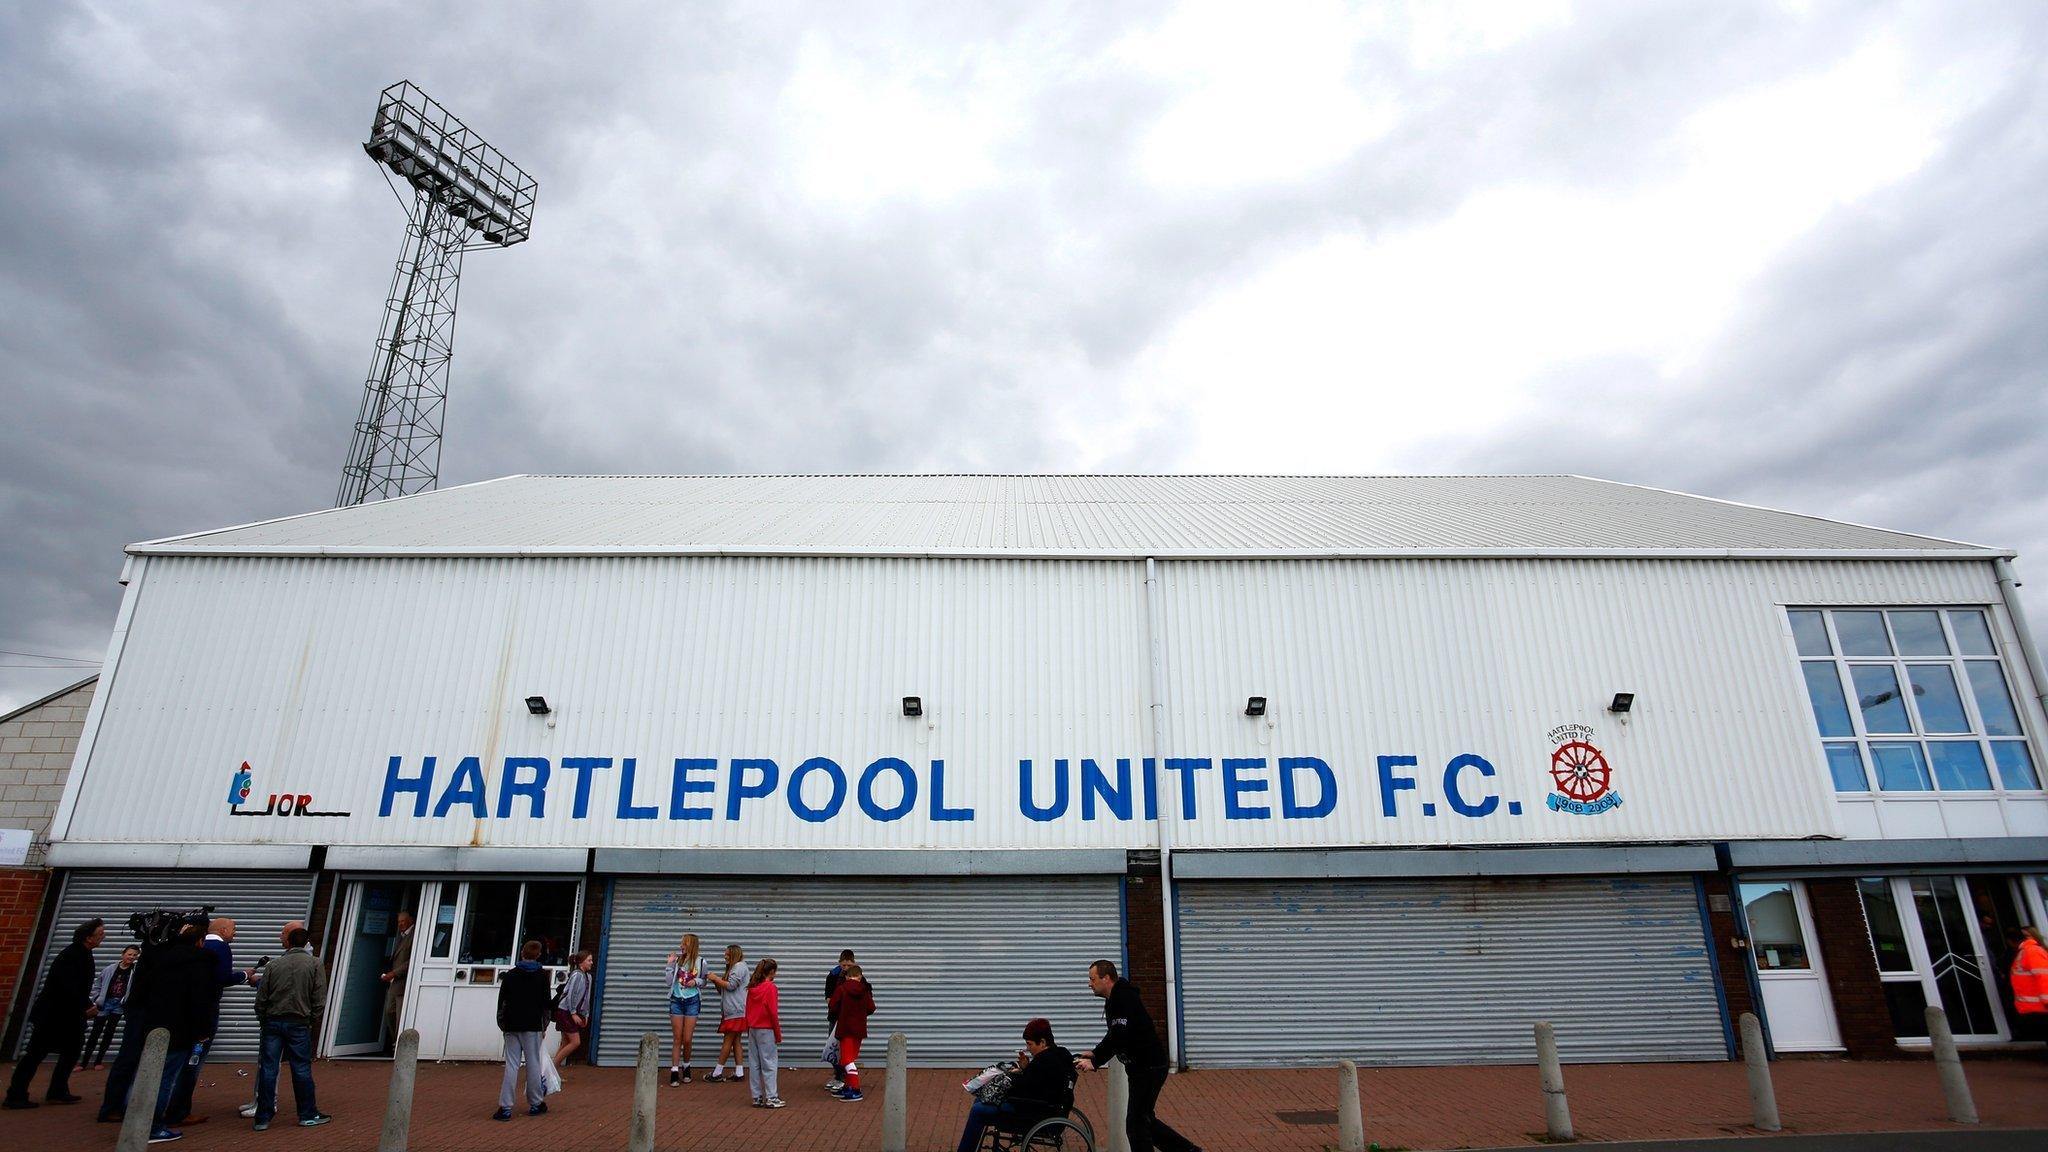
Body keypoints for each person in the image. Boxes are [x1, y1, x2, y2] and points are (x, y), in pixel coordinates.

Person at [1075, 960, 1201, 1152]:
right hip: (1139, 1067)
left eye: (1092, 979)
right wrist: (1095, 1053)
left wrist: (1096, 1062)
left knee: (1136, 1124)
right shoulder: (1114, 999)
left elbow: (1120, 1035)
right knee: (1145, 1119)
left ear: (1106, 978)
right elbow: (1114, 1034)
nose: (1089, 983)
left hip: (1149, 1066)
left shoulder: (1123, 999)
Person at [162, 916, 254, 1127]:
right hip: (204, 1013)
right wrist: (244, 975)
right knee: (193, 1061)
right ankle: (178, 1111)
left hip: (176, 1013)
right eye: (233, 928)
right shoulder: (219, 948)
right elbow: (221, 978)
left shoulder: (181, 949)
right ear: (222, 930)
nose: (235, 933)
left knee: (173, 1063)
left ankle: (164, 1108)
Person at [4, 917, 104, 1109]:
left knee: (72, 1051)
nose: (103, 936)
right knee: (35, 1053)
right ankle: (15, 1095)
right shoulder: (72, 955)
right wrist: (86, 1006)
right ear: (88, 937)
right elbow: (68, 986)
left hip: (69, 1016)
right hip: (53, 1016)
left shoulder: (83, 953)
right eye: (100, 934)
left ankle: (57, 1091)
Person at [143, 924, 217, 1145]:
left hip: (154, 1027)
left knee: (149, 1075)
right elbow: (200, 1000)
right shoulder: (199, 964)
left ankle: (138, 1118)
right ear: (200, 942)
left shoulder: (161, 960)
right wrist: (202, 1031)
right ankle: (154, 1126)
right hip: (181, 1030)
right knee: (166, 1078)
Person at [955, 1018, 1077, 1152]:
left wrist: (1013, 1076)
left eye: (1030, 1044)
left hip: (1033, 1112)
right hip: (1048, 1106)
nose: (1028, 1049)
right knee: (981, 1100)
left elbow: (1023, 1089)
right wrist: (1026, 1069)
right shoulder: (1062, 1053)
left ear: (1042, 1042)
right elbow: (1038, 1082)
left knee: (977, 1110)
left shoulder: (1042, 1063)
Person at [251, 924, 329, 1130]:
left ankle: (262, 1118)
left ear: (288, 942)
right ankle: (307, 1114)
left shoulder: (274, 965)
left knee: (269, 1068)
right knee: (301, 1068)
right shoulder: (314, 964)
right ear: (306, 943)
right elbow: (319, 997)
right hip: (299, 1022)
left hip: (273, 1022)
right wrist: (311, 1019)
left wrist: (263, 1019)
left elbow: (262, 998)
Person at [493, 940, 552, 1121]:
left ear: (521, 953)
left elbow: (502, 1003)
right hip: (532, 1025)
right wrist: (544, 1025)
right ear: (539, 955)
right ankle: (536, 1103)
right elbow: (546, 1005)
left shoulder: (511, 975)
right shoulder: (542, 976)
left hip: (512, 1025)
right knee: (533, 1063)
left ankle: (505, 1108)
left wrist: (503, 1024)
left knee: (512, 1064)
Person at [85, 945, 140, 1070]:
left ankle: (98, 1061)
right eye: (129, 954)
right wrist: (96, 998)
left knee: (109, 1033)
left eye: (134, 955)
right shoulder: (110, 969)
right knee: (95, 1032)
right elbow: (98, 983)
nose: (131, 957)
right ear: (123, 954)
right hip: (104, 1003)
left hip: (118, 1005)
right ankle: (84, 1062)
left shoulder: (134, 972)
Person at [664, 933, 708, 1084]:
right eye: (681, 943)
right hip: (677, 1000)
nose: (681, 946)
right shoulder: (676, 961)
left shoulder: (701, 961)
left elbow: (704, 981)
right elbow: (669, 982)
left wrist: (695, 981)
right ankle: (674, 1070)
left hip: (692, 1001)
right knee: (677, 1038)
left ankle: (687, 1065)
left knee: (687, 1039)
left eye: (684, 943)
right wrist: (669, 965)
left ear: (692, 945)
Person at [826, 962, 874, 1102]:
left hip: (845, 1028)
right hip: (859, 1030)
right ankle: (848, 1086)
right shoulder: (865, 990)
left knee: (846, 1060)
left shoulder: (842, 989)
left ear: (847, 977)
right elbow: (871, 1008)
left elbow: (832, 1006)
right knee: (850, 1058)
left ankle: (855, 1088)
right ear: (859, 977)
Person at [706, 943, 752, 1084]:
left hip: (735, 1010)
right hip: (735, 1010)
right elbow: (723, 989)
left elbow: (731, 986)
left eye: (727, 954)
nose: (724, 956)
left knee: (728, 1040)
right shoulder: (734, 968)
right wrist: (717, 981)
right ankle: (739, 1072)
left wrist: (715, 978)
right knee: (736, 1041)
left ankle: (717, 1072)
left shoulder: (739, 967)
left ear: (734, 954)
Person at [744, 957, 784, 1108]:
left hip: (753, 1028)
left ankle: (757, 1097)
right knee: (769, 1063)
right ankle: (772, 1097)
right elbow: (773, 1012)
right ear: (772, 971)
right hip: (766, 1029)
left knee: (754, 1063)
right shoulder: (771, 988)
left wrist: (748, 1026)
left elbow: (747, 1009)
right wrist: (777, 1033)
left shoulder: (752, 988)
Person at [380, 910, 415, 1049]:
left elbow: (411, 960)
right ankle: (395, 1040)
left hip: (403, 981)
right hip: (395, 982)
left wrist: (394, 973)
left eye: (403, 921)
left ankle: (399, 1044)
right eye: (399, 922)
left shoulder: (414, 936)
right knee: (390, 1011)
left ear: (410, 920)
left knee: (399, 1013)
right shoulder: (400, 936)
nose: (400, 924)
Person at [555, 950, 595, 1069]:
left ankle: (551, 1073)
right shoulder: (577, 975)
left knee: (566, 1043)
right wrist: (573, 1013)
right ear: (581, 962)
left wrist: (585, 1013)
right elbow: (571, 995)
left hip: (574, 1013)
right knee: (575, 1042)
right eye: (589, 960)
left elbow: (587, 997)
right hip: (565, 1012)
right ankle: (551, 1068)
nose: (591, 963)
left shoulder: (588, 977)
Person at [2014, 926, 2048, 1043]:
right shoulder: (2027, 951)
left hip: (2041, 1006)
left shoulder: (2031, 951)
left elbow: (2043, 976)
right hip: (2037, 1006)